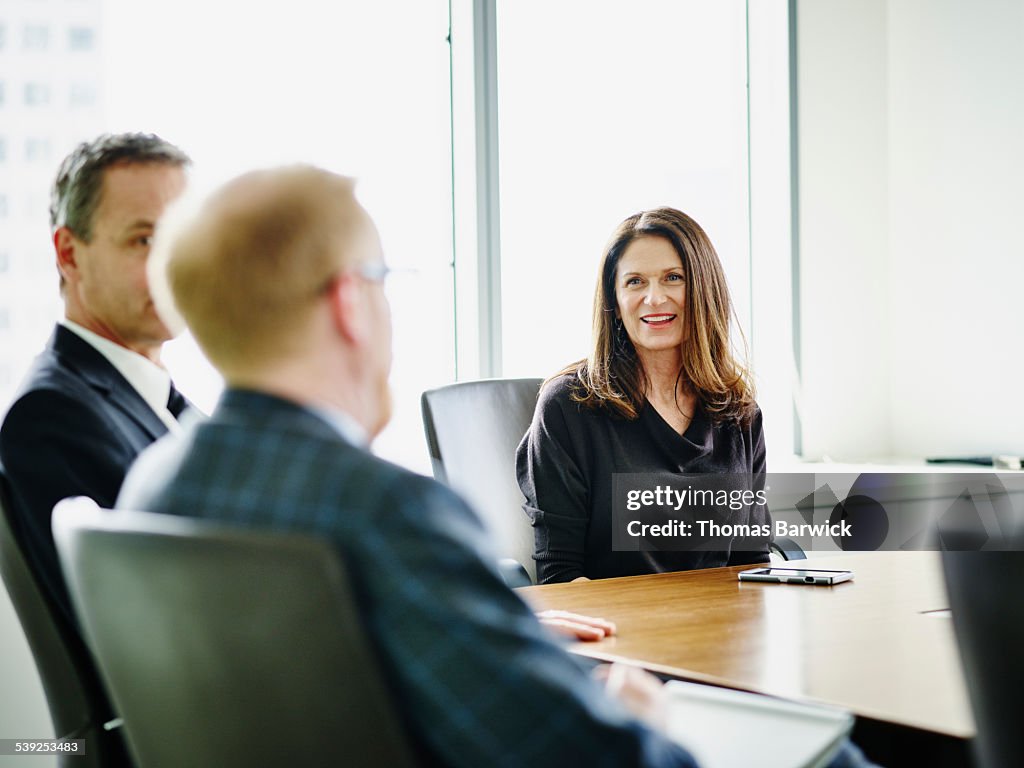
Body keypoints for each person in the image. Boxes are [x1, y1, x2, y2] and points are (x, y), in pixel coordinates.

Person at [115, 165, 700, 766]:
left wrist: (480, 632)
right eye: (383, 280)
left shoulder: (152, 486)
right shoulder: (388, 511)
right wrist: (644, 719)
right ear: (350, 301)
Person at [0, 132, 195, 622]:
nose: (173, 265)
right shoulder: (52, 415)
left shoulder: (157, 397)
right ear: (68, 253)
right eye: (145, 239)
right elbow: (154, 622)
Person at [516, 207, 770, 584]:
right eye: (635, 282)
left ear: (704, 289)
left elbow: (753, 561)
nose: (654, 298)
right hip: (619, 631)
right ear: (615, 302)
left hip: (720, 633)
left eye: (673, 278)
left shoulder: (739, 413)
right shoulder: (568, 407)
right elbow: (561, 575)